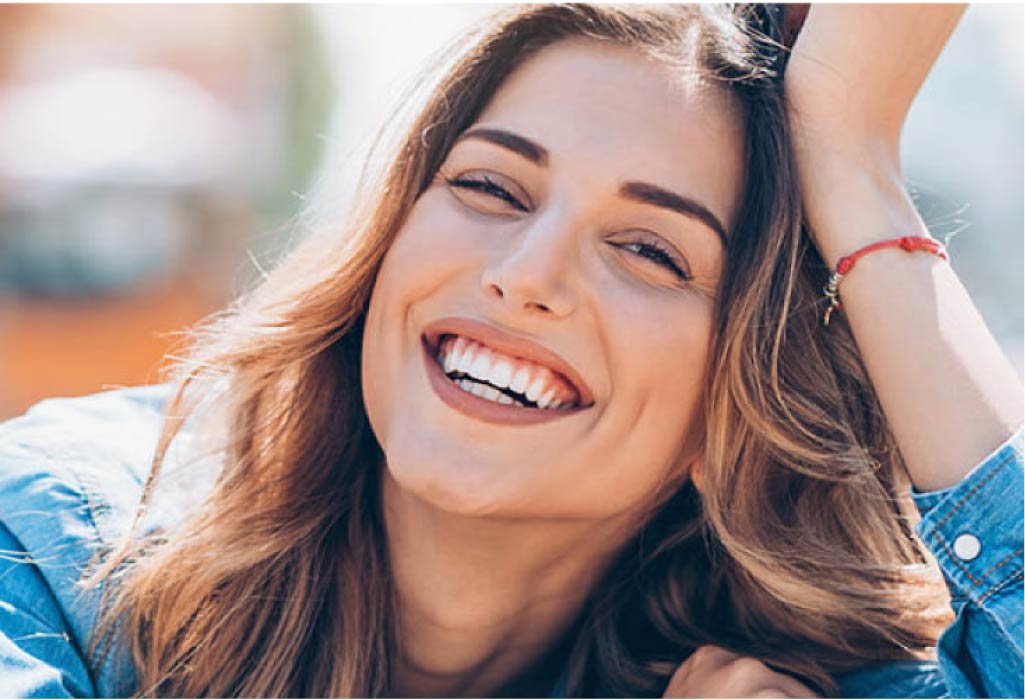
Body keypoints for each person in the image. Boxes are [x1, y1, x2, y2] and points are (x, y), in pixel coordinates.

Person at [0, 4, 1021, 698]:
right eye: (489, 188)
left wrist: (848, 157)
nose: (526, 273)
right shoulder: (62, 543)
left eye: (647, 250)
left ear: (736, 406)